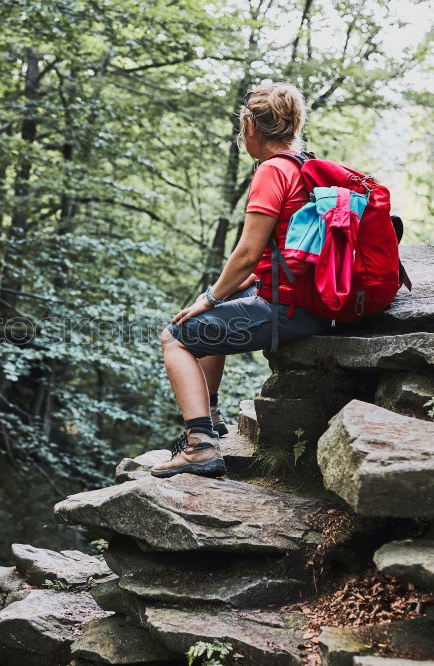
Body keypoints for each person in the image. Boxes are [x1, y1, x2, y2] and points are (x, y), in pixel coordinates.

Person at [152, 83, 333, 479]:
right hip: (316, 301)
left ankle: (199, 444)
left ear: (250, 126)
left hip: (289, 310)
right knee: (221, 300)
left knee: (175, 336)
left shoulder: (272, 171)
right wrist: (219, 296)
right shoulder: (309, 166)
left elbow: (248, 253)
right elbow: (283, 255)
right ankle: (212, 417)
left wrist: (208, 297)